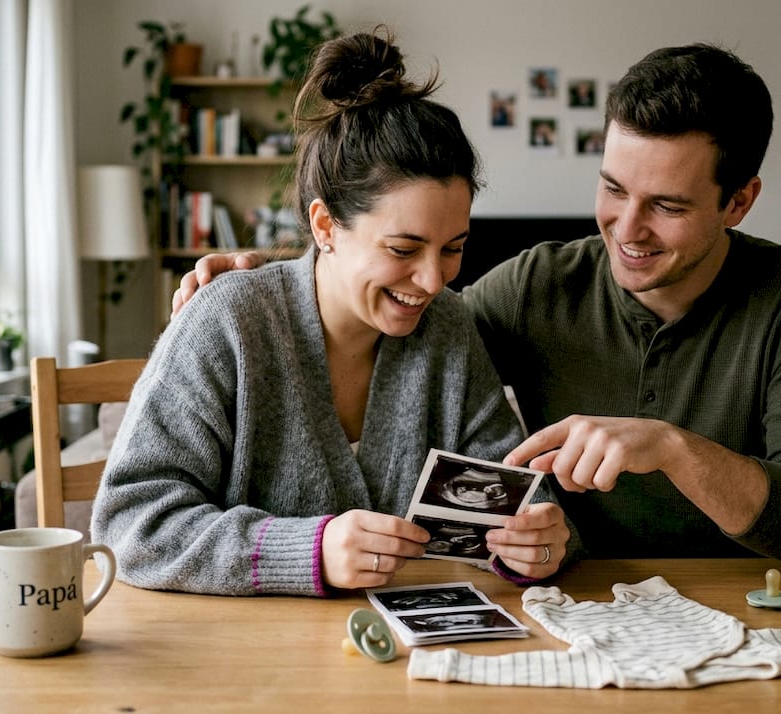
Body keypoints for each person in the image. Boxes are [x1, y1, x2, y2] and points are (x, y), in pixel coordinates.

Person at [171, 44, 781, 572]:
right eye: (613, 189)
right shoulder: (535, 288)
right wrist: (280, 281)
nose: (626, 229)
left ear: (739, 201)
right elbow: (410, 309)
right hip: (588, 613)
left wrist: (674, 450)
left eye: (667, 206)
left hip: (752, 616)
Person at [91, 28, 574, 598]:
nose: (434, 280)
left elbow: (514, 498)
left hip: (401, 664)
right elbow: (131, 525)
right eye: (402, 249)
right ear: (326, 227)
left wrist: (535, 544)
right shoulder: (229, 320)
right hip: (240, 666)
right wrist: (308, 550)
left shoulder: (447, 328)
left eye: (453, 248)